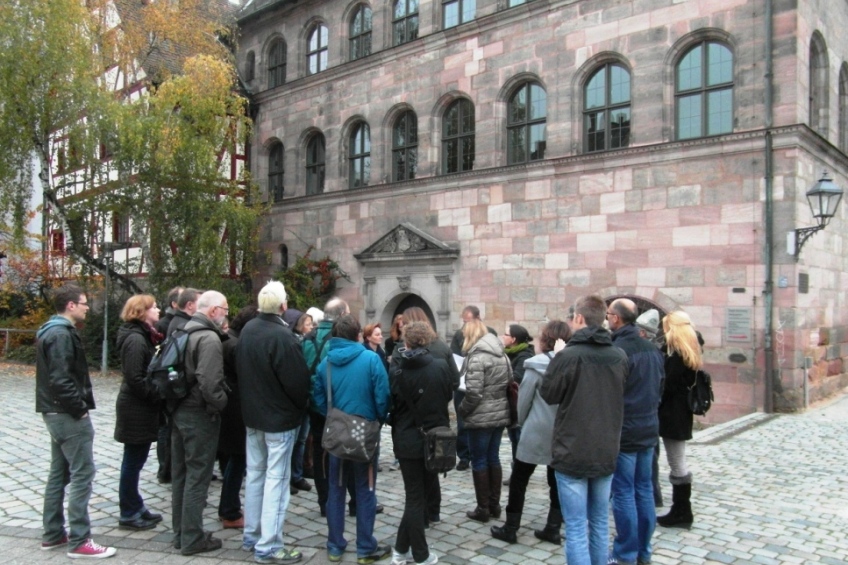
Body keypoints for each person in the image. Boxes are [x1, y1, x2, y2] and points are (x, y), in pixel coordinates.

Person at [541, 295, 627, 565]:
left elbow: (549, 394)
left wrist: (556, 359)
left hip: (573, 449)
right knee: (599, 522)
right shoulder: (619, 355)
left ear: (579, 318)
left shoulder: (568, 356)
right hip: (605, 448)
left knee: (577, 526)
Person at [35, 284, 118, 559]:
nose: (86, 307)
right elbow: (60, 378)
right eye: (83, 303)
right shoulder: (60, 334)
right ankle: (80, 541)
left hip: (55, 413)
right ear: (70, 305)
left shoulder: (52, 330)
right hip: (67, 415)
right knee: (82, 474)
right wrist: (79, 409)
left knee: (59, 474)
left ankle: (53, 533)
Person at [236, 281, 311, 564]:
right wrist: (299, 405)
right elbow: (297, 383)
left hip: (254, 415)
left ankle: (253, 536)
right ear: (283, 306)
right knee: (276, 481)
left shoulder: (248, 330)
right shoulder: (283, 336)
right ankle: (269, 545)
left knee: (256, 475)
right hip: (278, 419)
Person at [313, 314, 391, 564]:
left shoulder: (325, 362)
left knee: (335, 489)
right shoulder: (370, 359)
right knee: (365, 489)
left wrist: (332, 416)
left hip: (336, 433)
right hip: (365, 431)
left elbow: (317, 396)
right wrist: (378, 419)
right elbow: (383, 396)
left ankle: (335, 545)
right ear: (358, 335)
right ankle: (365, 547)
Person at [490, 320, 571, 545]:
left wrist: (522, 423)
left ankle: (511, 527)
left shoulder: (535, 365)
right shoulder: (571, 364)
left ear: (546, 340)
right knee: (556, 481)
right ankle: (553, 527)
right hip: (560, 431)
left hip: (536, 429)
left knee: (519, 480)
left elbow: (523, 403)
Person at [388, 321, 452, 565]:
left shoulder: (396, 371)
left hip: (406, 439)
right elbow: (447, 394)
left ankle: (401, 550)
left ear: (406, 342)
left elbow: (391, 405)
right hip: (434, 437)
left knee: (417, 496)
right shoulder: (441, 367)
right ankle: (420, 555)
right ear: (428, 341)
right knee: (418, 497)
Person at [171, 290, 229, 556]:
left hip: (178, 410)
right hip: (198, 415)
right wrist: (222, 403)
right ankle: (193, 538)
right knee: (197, 476)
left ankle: (181, 533)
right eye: (225, 310)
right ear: (214, 310)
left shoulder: (182, 331)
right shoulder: (207, 338)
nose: (226, 315)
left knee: (182, 475)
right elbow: (209, 382)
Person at [607, 299, 665, 565]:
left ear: (617, 319)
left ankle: (626, 552)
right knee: (644, 490)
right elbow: (659, 389)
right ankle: (643, 550)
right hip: (649, 428)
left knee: (624, 492)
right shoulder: (652, 349)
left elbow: (611, 394)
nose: (607, 319)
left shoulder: (618, 350)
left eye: (609, 315)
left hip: (627, 430)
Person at [113, 295, 164, 531]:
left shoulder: (143, 335)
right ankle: (129, 511)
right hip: (136, 407)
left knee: (136, 459)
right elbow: (135, 377)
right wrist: (154, 393)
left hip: (140, 405)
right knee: (132, 461)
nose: (158, 309)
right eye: (154, 307)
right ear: (141, 311)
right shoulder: (135, 339)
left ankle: (135, 505)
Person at [458, 318, 512, 523]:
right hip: (499, 414)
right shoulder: (502, 354)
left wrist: (462, 411)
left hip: (480, 417)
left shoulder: (478, 357)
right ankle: (494, 505)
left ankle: (483, 508)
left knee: (479, 459)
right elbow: (509, 382)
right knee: (493, 457)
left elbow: (473, 393)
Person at [656, 310, 704, 530]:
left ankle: (682, 511)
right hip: (679, 414)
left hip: (672, 415)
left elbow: (666, 386)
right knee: (677, 461)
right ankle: (681, 510)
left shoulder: (677, 357)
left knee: (677, 463)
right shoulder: (691, 349)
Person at [303, 297, 349, 516]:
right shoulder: (339, 339)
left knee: (319, 450)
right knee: (340, 451)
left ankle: (324, 500)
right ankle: (339, 498)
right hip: (337, 406)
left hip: (313, 405)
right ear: (341, 316)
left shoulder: (307, 338)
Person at [218, 305, 258, 530]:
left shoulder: (228, 339)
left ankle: (229, 506)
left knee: (231, 461)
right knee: (237, 460)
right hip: (235, 409)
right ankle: (229, 510)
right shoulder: (235, 345)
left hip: (228, 408)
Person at [449, 305, 498, 471]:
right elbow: (454, 357)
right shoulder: (459, 334)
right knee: (462, 423)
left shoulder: (489, 333)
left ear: (477, 318)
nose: (465, 324)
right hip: (463, 384)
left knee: (482, 421)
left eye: (468, 321)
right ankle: (464, 456)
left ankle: (481, 455)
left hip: (484, 384)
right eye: (464, 321)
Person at [155, 286, 183, 484]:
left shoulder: (173, 322)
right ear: (174, 304)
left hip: (170, 381)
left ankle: (169, 467)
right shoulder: (167, 324)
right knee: (165, 428)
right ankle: (165, 468)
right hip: (167, 382)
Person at [501, 324, 534, 484]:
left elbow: (517, 378)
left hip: (518, 405)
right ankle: (517, 472)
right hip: (512, 404)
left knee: (518, 438)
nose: (503, 337)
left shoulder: (523, 355)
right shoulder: (510, 353)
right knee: (515, 438)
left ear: (513, 339)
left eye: (506, 334)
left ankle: (519, 473)